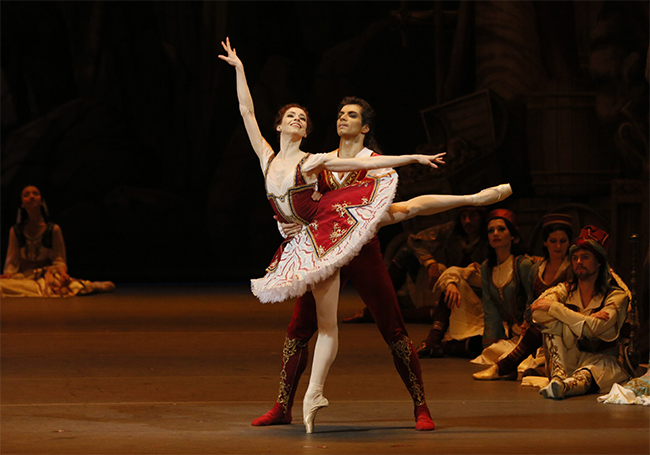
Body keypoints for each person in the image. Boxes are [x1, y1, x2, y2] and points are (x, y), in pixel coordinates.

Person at [219, 37, 512, 433]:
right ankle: (283, 405)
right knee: (299, 327)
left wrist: (433, 173)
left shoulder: (373, 164)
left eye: (351, 114)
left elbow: (405, 207)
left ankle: (420, 406)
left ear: (365, 125)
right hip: (324, 248)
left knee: (391, 324)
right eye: (339, 113)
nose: (341, 118)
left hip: (364, 249)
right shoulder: (318, 161)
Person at [532, 225, 631, 400]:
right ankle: (558, 375)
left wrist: (556, 309)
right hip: (570, 358)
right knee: (547, 319)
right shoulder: (565, 290)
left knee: (587, 375)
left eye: (585, 257)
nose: (578, 262)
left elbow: (595, 329)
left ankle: (563, 387)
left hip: (603, 362)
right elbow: (537, 312)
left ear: (599, 261)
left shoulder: (617, 296)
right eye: (575, 258)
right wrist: (586, 319)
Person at [343, 206, 488, 324]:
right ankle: (373, 308)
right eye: (464, 217)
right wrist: (430, 263)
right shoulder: (452, 231)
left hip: (472, 289)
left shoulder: (489, 237)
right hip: (448, 282)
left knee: (439, 312)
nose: (467, 221)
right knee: (407, 254)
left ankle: (382, 315)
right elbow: (415, 240)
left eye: (473, 216)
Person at [473, 213, 574, 380]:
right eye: (552, 241)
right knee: (494, 351)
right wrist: (526, 321)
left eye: (563, 241)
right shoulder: (537, 269)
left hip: (562, 326)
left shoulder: (572, 269)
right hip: (532, 328)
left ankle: (507, 366)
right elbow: (529, 300)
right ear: (545, 242)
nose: (557, 246)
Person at [1, 185, 115, 297]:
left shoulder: (53, 229)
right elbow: (12, 259)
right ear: (22, 203)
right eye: (26, 195)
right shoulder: (16, 231)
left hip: (46, 275)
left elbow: (59, 260)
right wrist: (9, 274)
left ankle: (92, 286)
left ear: (41, 201)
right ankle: (34, 288)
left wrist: (62, 273)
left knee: (69, 287)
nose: (31, 197)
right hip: (24, 277)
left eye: (35, 194)